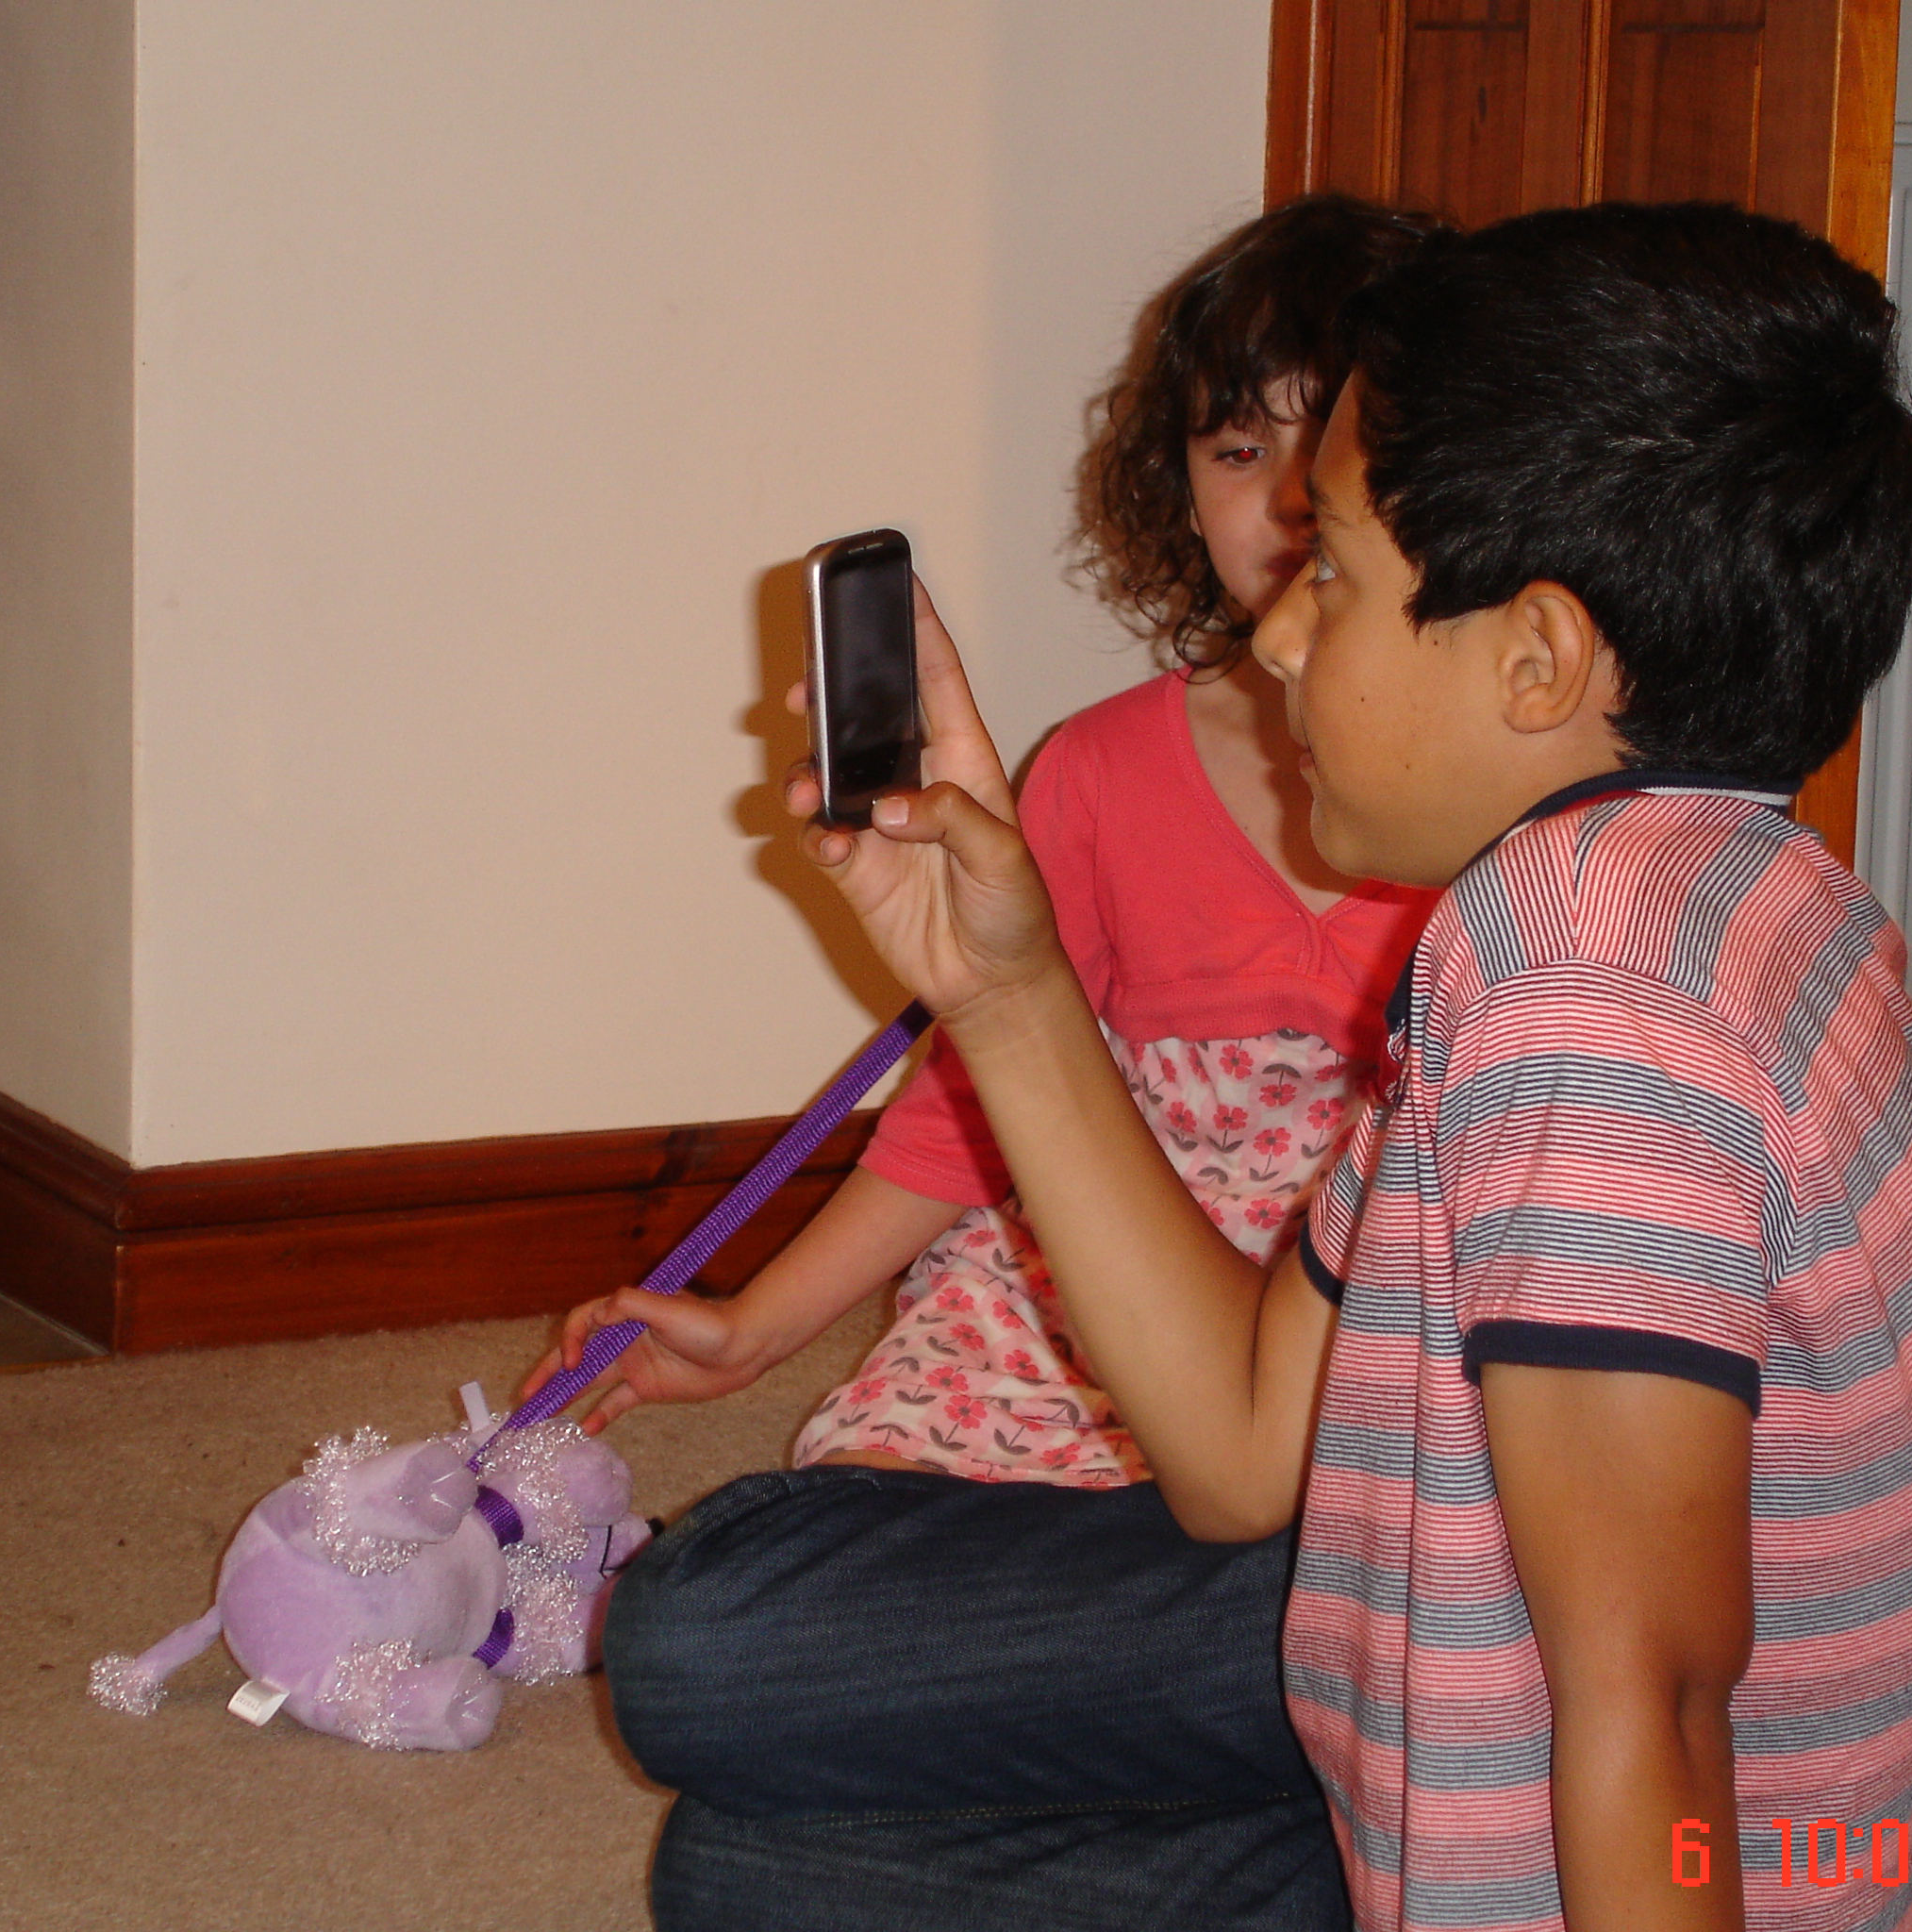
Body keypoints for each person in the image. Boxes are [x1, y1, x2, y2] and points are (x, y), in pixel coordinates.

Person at [720, 203, 1912, 1932]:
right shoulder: (1715, 882)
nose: (1278, 634)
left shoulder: (1587, 1001)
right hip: (1715, 1814)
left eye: (1335, 572)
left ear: (1538, 659)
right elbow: (1239, 1450)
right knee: (748, 1868)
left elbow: (1648, 1702)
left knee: (723, 1624)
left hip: (1693, 1872)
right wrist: (1007, 988)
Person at [522, 195, 1433, 1931]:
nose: (1282, 506)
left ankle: (1348, 1740)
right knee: (731, 1866)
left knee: (727, 1697)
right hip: (1112, 1292)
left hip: (1334, 1345)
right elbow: (977, 1104)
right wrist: (758, 1326)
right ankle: (1350, 1804)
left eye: (1330, 453)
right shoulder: (1099, 774)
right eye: (1237, 449)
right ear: (1176, 481)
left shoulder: (1494, 825)